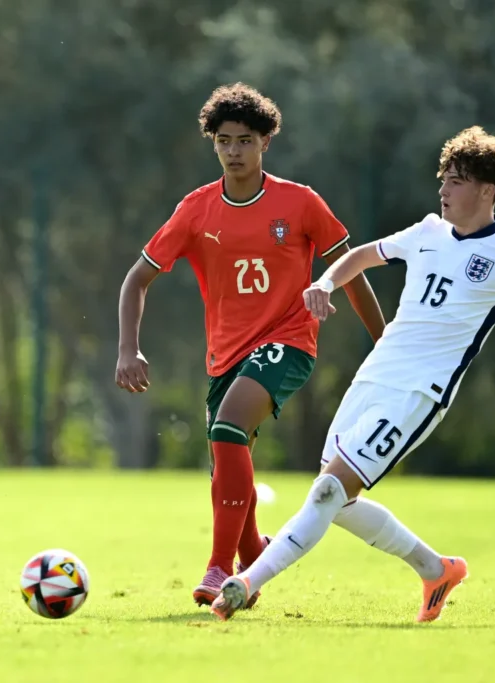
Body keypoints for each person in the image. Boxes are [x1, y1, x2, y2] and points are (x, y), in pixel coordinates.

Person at [210, 126, 495, 622]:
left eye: (455, 181)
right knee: (339, 502)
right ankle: (436, 569)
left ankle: (247, 581)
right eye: (443, 179)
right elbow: (360, 255)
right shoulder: (428, 231)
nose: (443, 190)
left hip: (420, 393)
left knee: (327, 492)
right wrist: (324, 283)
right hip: (373, 377)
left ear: (486, 190)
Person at [114, 83, 386, 608]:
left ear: (265, 143)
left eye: (244, 140)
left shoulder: (300, 203)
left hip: (289, 340)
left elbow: (351, 273)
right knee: (226, 460)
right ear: (213, 144)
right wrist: (128, 349)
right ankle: (253, 560)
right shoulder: (196, 210)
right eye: (223, 141)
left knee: (229, 425)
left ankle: (217, 570)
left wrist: (384, 342)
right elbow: (136, 279)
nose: (233, 151)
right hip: (225, 356)